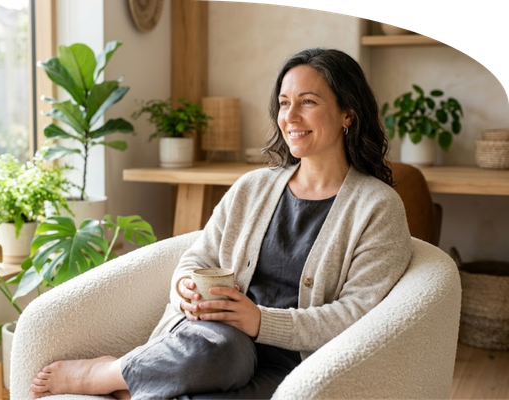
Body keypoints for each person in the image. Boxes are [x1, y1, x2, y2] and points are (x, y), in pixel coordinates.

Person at [29, 47, 412, 400]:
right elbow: (195, 260)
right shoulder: (253, 187)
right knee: (228, 353)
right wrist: (186, 290)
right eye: (283, 103)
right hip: (215, 341)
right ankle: (107, 374)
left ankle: (137, 386)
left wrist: (261, 320)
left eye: (307, 102)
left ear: (348, 113)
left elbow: (358, 315)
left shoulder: (377, 207)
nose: (289, 117)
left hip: (297, 362)